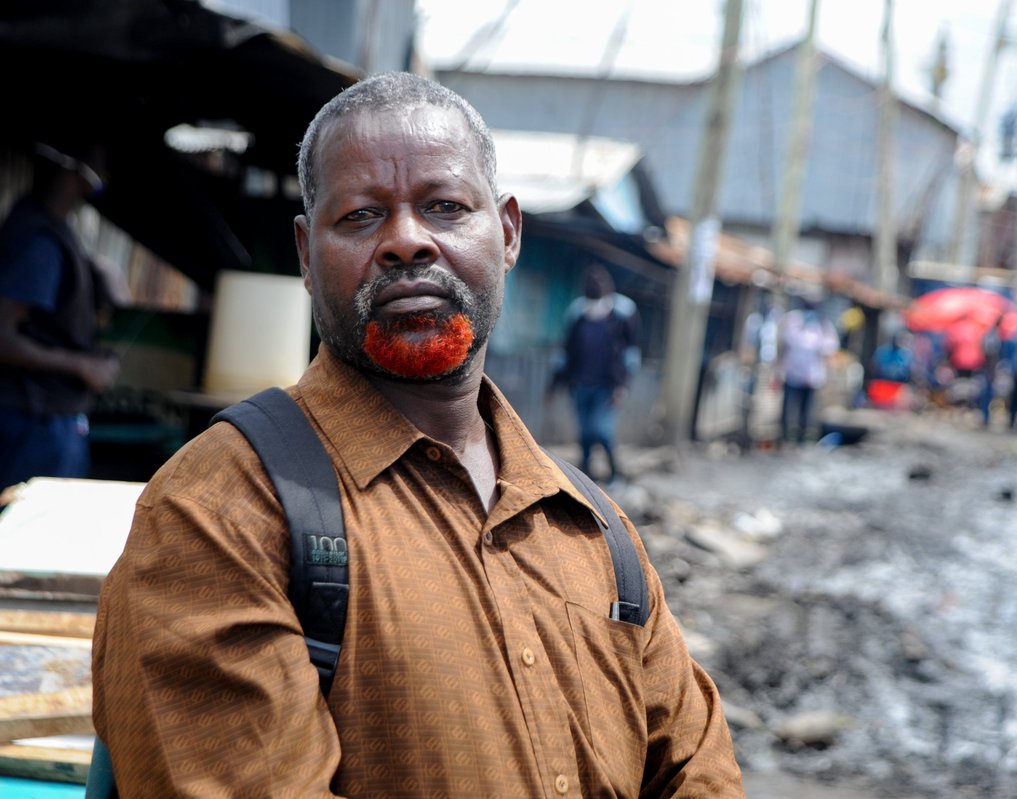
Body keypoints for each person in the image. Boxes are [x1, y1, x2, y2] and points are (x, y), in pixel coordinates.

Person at [92, 72, 744, 797]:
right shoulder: (218, 513)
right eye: (363, 216)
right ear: (307, 256)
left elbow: (699, 771)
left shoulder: (595, 533)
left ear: (507, 233)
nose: (407, 241)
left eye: (444, 206)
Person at [0, 141, 119, 491]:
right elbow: (2, 336)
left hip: (46, 420)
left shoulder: (47, 228)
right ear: (75, 175)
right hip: (34, 424)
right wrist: (82, 365)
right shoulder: (39, 242)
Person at [547, 264, 639, 482]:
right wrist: (553, 386)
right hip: (580, 385)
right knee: (585, 434)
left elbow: (631, 355)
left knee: (602, 431)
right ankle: (586, 476)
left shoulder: (621, 318)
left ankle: (614, 473)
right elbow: (564, 354)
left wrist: (623, 386)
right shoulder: (577, 317)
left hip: (607, 387)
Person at [777, 304, 838, 444]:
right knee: (789, 407)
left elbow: (829, 349)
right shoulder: (792, 319)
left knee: (807, 409)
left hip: (812, 375)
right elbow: (783, 343)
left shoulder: (823, 325)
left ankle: (804, 437)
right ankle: (786, 437)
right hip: (792, 373)